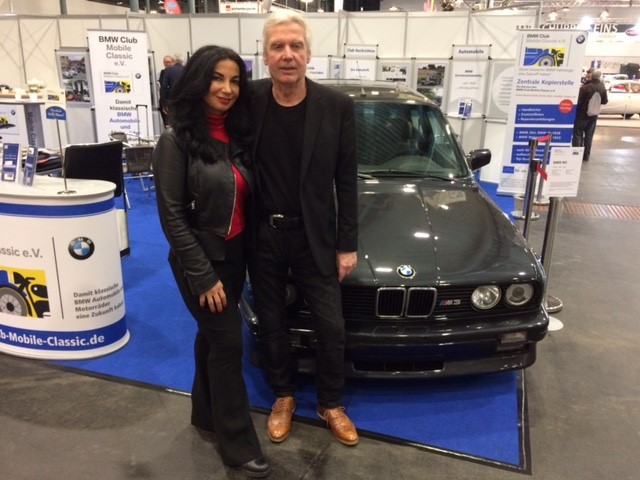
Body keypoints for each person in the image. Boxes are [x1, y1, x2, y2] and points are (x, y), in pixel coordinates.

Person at [152, 45, 271, 478]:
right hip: (200, 261)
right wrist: (202, 276)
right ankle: (237, 444)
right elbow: (172, 216)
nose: (227, 88)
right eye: (217, 78)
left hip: (234, 256)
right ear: (199, 81)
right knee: (227, 344)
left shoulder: (237, 136)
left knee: (211, 337)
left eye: (235, 80)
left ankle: (204, 415)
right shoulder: (175, 141)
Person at [248, 10, 360, 447]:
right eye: (278, 47)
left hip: (315, 237)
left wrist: (347, 245)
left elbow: (346, 180)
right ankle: (284, 395)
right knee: (272, 322)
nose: (287, 55)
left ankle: (331, 403)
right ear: (265, 55)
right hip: (263, 236)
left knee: (331, 326)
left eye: (296, 46)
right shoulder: (251, 100)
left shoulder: (336, 107)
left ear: (309, 55)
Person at [572, 68, 608, 161]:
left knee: (578, 134)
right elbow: (605, 101)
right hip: (593, 116)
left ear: (591, 76)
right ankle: (586, 156)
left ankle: (576, 154)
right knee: (589, 137)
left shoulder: (585, 87)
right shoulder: (602, 87)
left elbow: (578, 102)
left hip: (582, 115)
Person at [159, 53, 185, 127]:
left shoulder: (168, 71)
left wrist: (164, 103)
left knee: (172, 124)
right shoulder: (188, 70)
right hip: (185, 101)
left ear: (173, 61)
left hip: (172, 102)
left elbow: (164, 88)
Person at [158, 54, 174, 128]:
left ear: (173, 62)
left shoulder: (175, 72)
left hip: (173, 101)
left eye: (169, 62)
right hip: (165, 100)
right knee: (167, 124)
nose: (167, 64)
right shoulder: (162, 73)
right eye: (166, 62)